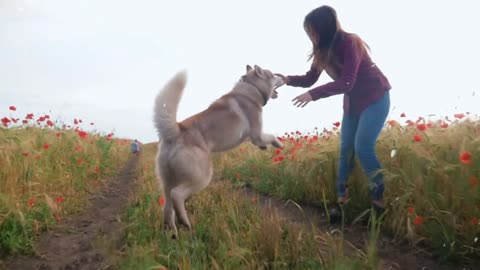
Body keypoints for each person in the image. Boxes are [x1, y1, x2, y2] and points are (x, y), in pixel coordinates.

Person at [275, 5, 391, 217]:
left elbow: (347, 82)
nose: (310, 35)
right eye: (308, 31)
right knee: (346, 149)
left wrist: (313, 95)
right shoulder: (321, 52)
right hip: (353, 104)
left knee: (362, 146)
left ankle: (378, 201)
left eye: (312, 30)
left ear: (324, 28)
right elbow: (310, 78)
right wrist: (287, 79)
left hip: (375, 97)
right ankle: (341, 202)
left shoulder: (350, 43)